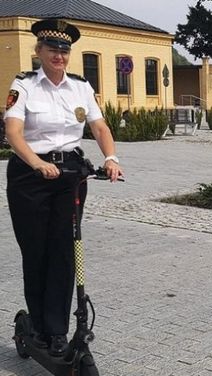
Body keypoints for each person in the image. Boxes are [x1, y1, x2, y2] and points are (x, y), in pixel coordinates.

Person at [3, 19, 123, 356]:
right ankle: (38, 326)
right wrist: (37, 163)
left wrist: (111, 157)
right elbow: (13, 131)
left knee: (64, 252)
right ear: (39, 50)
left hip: (69, 175)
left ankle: (56, 331)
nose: (59, 55)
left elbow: (99, 126)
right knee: (37, 251)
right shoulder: (24, 85)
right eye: (52, 48)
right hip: (30, 177)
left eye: (64, 50)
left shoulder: (81, 87)